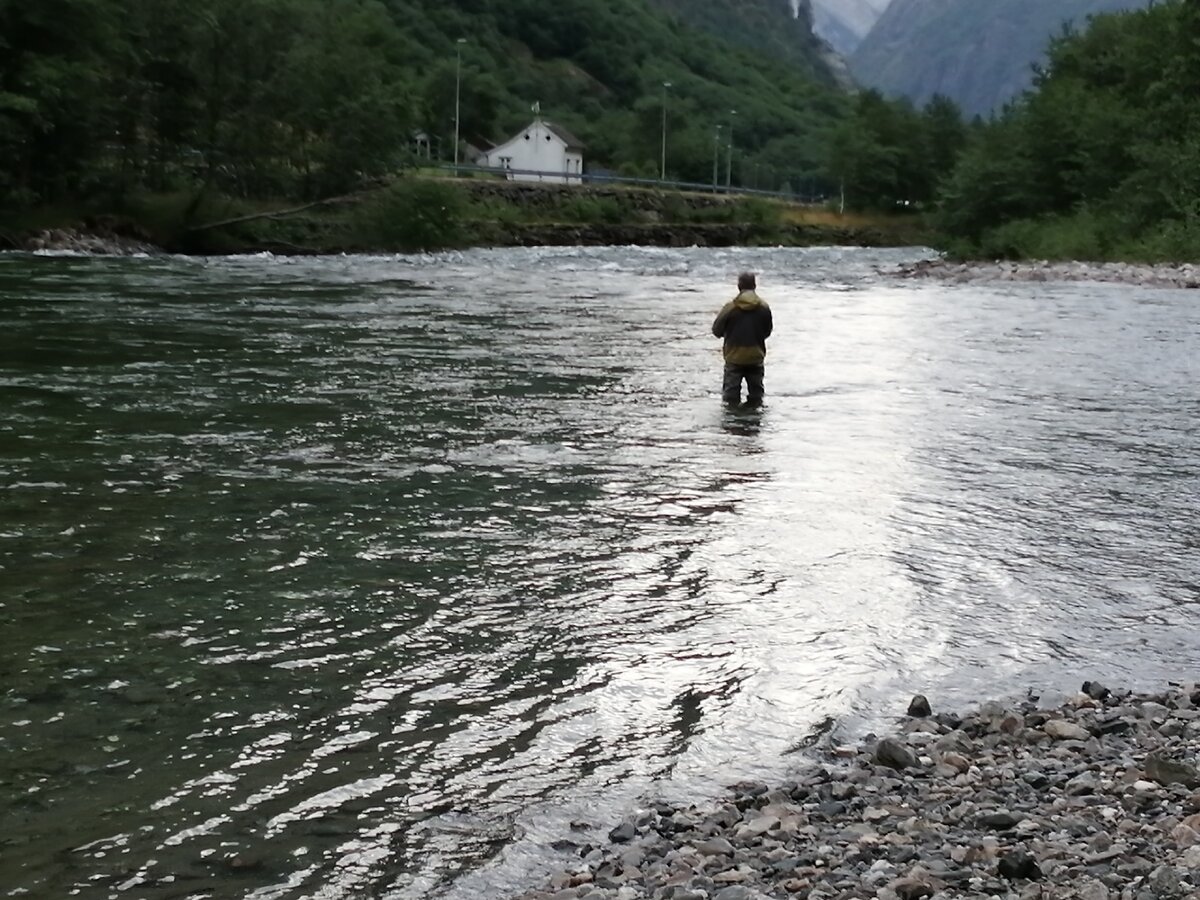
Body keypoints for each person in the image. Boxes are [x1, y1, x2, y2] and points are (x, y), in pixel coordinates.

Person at [712, 272, 773, 408]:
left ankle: (735, 423)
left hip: (734, 358)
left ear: (739, 286)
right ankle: (754, 424)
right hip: (755, 356)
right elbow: (767, 331)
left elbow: (716, 331)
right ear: (755, 286)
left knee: (730, 398)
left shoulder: (730, 308)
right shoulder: (764, 307)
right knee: (757, 395)